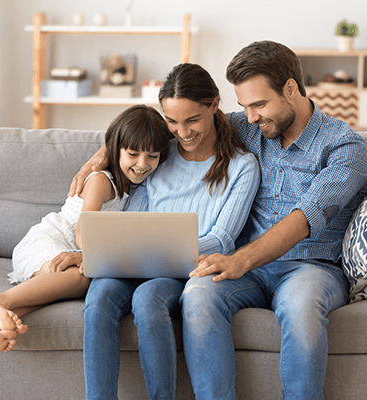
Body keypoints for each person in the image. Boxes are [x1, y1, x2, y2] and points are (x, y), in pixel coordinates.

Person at [181, 41, 367, 399]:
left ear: (290, 89)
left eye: (259, 104)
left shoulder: (346, 147)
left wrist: (239, 260)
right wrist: (104, 153)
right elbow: (183, 128)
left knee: (301, 306)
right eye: (244, 106)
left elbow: (304, 219)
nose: (251, 115)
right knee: (197, 293)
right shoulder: (248, 129)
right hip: (250, 272)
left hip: (311, 267)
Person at [72, 63, 260, 400]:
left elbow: (222, 240)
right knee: (98, 296)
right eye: (172, 121)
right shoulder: (158, 154)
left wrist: (149, 250)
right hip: (134, 258)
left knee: (146, 298)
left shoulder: (241, 166)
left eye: (192, 120)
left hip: (184, 267)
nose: (182, 132)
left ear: (214, 106)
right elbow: (133, 215)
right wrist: (103, 250)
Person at [0, 104, 171, 353]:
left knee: (68, 286)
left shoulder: (134, 185)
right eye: (133, 154)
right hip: (49, 239)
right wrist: (91, 256)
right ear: (115, 151)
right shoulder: (102, 180)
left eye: (152, 156)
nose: (142, 164)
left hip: (72, 249)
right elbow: (84, 231)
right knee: (81, 278)